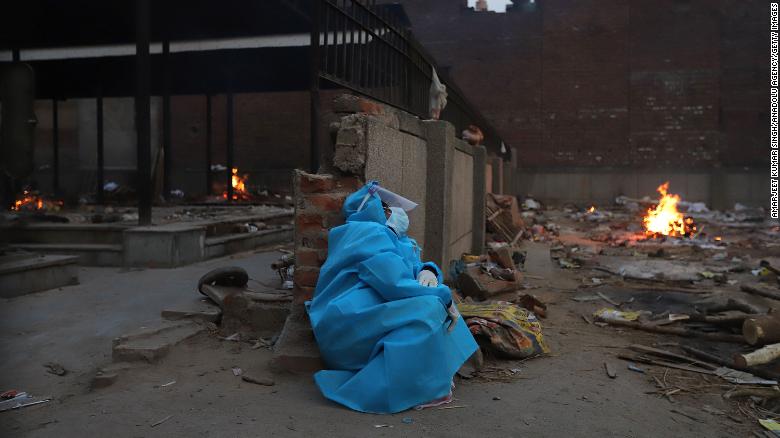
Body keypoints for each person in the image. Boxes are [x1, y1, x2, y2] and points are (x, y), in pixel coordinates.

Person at [305, 181, 478, 414]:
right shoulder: (365, 233)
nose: (401, 214)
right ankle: (412, 386)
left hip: (367, 312)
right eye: (391, 208)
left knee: (433, 301)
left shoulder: (392, 237)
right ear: (377, 209)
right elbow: (392, 282)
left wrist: (429, 270)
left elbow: (412, 268)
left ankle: (430, 373)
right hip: (347, 323)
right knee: (428, 307)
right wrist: (442, 294)